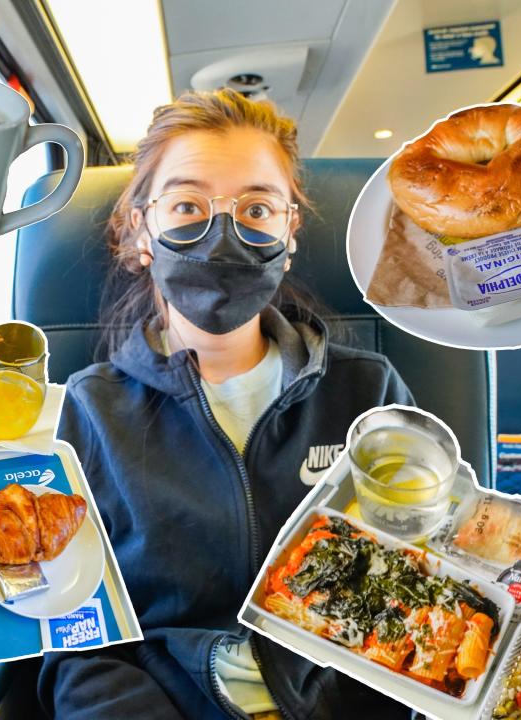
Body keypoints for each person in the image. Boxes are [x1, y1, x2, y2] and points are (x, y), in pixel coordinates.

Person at [39, 89, 414, 719]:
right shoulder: (88, 414)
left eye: (257, 207)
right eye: (187, 204)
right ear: (141, 231)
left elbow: (425, 579)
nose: (222, 233)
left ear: (289, 232)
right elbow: (77, 645)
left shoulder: (367, 393)